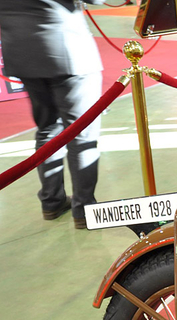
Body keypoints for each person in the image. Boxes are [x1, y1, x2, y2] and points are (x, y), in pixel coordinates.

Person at [0, 0, 104, 229]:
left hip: (20, 52)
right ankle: (84, 209)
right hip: (66, 50)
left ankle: (52, 201)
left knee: (47, 128)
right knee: (82, 134)